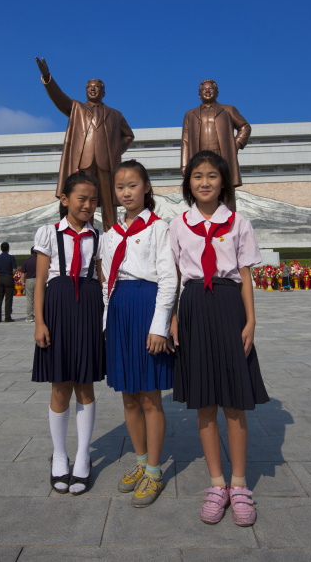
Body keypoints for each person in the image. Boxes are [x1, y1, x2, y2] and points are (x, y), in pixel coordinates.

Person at [169, 150, 269, 527]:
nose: (205, 182)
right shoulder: (178, 225)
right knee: (205, 401)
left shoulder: (238, 222)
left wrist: (251, 321)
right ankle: (216, 483)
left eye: (212, 176)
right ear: (188, 183)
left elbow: (245, 276)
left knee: (235, 401)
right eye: (197, 176)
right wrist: (174, 317)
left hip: (229, 308)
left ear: (223, 182)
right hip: (194, 306)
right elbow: (176, 276)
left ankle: (240, 484)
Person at [101, 160, 177, 507]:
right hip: (119, 310)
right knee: (128, 394)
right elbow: (107, 283)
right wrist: (106, 323)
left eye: (133, 185)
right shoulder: (110, 235)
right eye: (120, 187)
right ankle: (141, 461)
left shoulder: (160, 228)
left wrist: (160, 326)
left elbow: (169, 278)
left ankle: (156, 471)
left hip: (146, 307)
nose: (126, 192)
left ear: (146, 187)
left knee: (149, 396)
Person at [32, 171, 105, 496]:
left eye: (93, 200)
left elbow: (104, 281)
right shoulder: (49, 233)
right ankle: (59, 455)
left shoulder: (99, 236)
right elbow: (40, 282)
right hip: (58, 307)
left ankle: (83, 457)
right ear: (64, 199)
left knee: (85, 384)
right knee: (60, 384)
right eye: (82, 198)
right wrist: (39, 322)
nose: (88, 204)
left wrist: (105, 322)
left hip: (89, 307)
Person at [35, 57, 134, 231]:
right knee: (83, 198)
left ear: (104, 92)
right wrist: (48, 78)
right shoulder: (76, 108)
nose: (93, 89)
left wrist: (115, 150)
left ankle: (111, 236)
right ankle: (82, 232)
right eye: (89, 87)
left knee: (108, 202)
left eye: (97, 87)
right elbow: (58, 98)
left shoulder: (115, 114)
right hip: (82, 161)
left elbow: (128, 136)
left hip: (106, 163)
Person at [181, 80, 251, 210]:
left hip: (222, 155)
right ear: (199, 95)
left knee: (226, 193)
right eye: (203, 90)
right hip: (199, 157)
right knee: (201, 191)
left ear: (217, 93)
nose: (207, 91)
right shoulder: (190, 114)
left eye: (211, 89)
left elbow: (245, 127)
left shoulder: (228, 110)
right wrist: (185, 165)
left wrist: (235, 145)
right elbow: (185, 140)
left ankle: (230, 224)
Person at [0, 242, 17, 322]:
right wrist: (10, 275)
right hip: (8, 278)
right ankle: (7, 317)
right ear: (8, 249)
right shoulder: (11, 258)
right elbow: (14, 270)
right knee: (8, 298)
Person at [20, 247, 37, 323]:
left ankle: (30, 317)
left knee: (30, 300)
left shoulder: (26, 261)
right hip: (39, 280)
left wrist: (22, 282)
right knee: (40, 299)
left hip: (29, 281)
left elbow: (23, 273)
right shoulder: (40, 260)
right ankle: (40, 316)